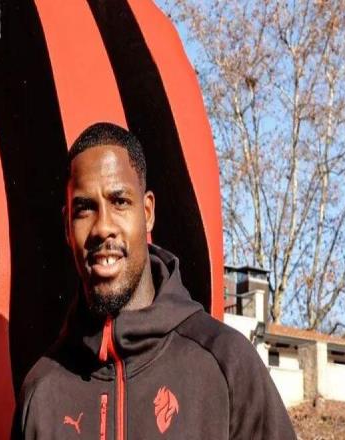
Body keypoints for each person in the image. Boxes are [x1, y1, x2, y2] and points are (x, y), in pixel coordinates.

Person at [16, 122, 296, 439]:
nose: (103, 227)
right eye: (85, 209)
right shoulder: (42, 393)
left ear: (147, 212)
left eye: (119, 201)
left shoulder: (227, 364)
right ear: (67, 227)